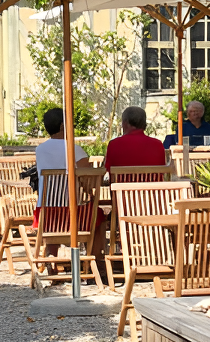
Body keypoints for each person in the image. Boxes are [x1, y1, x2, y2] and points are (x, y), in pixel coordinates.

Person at [34, 107, 105, 269]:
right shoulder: (74, 149)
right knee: (98, 216)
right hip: (75, 215)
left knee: (55, 222)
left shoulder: (40, 150)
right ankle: (94, 262)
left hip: (47, 213)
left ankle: (51, 259)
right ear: (62, 126)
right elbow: (89, 181)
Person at [104, 106, 166, 171]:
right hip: (150, 181)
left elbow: (107, 169)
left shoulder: (114, 144)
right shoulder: (157, 145)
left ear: (125, 123)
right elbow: (162, 170)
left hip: (122, 181)